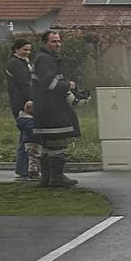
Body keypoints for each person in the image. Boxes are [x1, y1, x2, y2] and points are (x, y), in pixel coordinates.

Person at [29, 30, 81, 188]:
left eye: (58, 41)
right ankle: (57, 177)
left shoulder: (44, 58)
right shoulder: (45, 59)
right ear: (45, 43)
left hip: (46, 108)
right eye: (53, 41)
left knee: (48, 146)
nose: (58, 44)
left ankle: (47, 178)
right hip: (52, 109)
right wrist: (67, 85)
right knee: (57, 143)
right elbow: (49, 83)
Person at [4, 36, 39, 181]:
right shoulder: (17, 64)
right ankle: (26, 170)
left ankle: (21, 169)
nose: (28, 52)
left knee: (24, 137)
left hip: (19, 103)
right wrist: (31, 99)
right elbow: (24, 83)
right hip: (23, 105)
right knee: (28, 138)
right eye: (25, 50)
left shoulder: (20, 62)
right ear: (16, 50)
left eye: (29, 50)